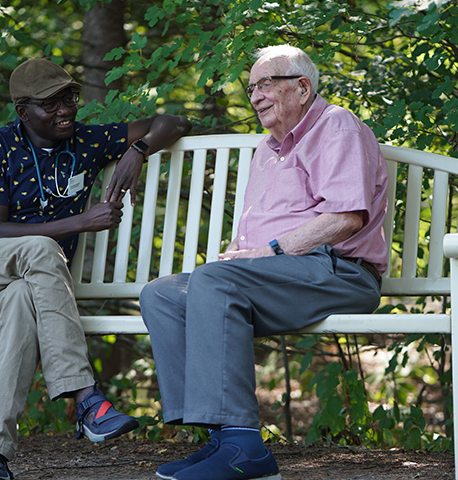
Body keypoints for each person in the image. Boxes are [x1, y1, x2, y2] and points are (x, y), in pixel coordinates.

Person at [139, 45, 388, 480]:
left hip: (338, 272)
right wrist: (242, 259)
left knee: (213, 282)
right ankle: (219, 438)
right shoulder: (266, 150)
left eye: (266, 84)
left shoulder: (335, 126)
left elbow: (346, 217)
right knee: (161, 295)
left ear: (302, 86)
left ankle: (245, 449)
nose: (254, 96)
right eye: (251, 87)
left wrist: (267, 252)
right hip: (282, 277)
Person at [0, 58, 192, 480]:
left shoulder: (86, 142)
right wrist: (80, 222)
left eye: (69, 98)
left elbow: (174, 121)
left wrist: (138, 149)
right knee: (40, 247)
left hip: (30, 285)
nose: (65, 110)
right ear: (23, 112)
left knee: (22, 300)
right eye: (50, 104)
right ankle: (86, 396)